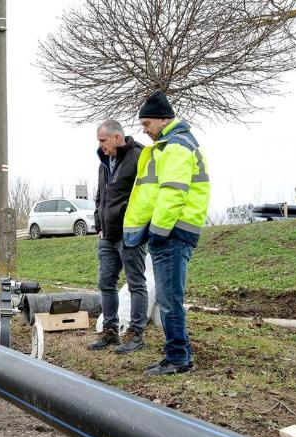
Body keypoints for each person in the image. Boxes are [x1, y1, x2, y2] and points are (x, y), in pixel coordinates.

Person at [123, 90, 210, 376]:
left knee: (169, 298)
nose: (144, 130)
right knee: (168, 296)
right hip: (173, 231)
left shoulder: (175, 146)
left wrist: (158, 232)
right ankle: (179, 353)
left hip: (172, 233)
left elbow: (173, 193)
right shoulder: (171, 145)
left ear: (163, 119)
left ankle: (177, 359)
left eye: (147, 123)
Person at [87, 119, 149, 354]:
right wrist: (98, 224)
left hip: (130, 233)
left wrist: (140, 225)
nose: (100, 145)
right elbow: (100, 196)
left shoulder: (139, 156)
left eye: (103, 140)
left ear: (116, 137)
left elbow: (147, 192)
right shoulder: (104, 162)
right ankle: (110, 330)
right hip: (107, 235)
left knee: (136, 283)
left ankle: (136, 334)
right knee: (106, 283)